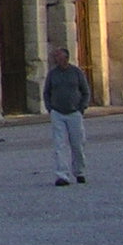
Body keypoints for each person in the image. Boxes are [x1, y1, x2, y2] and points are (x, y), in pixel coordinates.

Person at [43, 45, 90, 186]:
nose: (56, 59)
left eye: (59, 56)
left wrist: (82, 107)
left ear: (66, 58)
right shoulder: (52, 74)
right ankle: (62, 175)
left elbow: (85, 91)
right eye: (55, 57)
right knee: (60, 144)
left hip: (74, 112)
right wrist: (50, 108)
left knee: (77, 144)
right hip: (57, 112)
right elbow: (47, 92)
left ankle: (79, 172)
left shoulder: (76, 73)